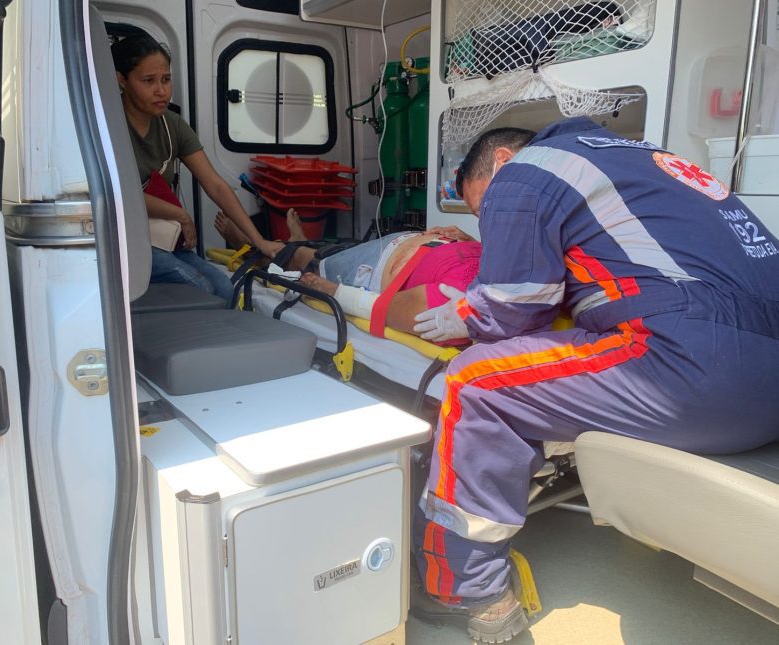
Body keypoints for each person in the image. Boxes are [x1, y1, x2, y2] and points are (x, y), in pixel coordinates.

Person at [408, 117, 779, 643]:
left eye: (482, 208)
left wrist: (465, 315)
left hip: (695, 366)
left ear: (500, 163)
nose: (488, 225)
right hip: (766, 374)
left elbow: (515, 309)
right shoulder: (647, 161)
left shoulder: (525, 172)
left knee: (474, 383)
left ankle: (468, 592)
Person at [111, 34, 283, 303]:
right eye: (148, 81)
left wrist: (260, 241)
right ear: (122, 80)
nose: (161, 91)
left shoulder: (173, 125)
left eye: (166, 80)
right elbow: (121, 194)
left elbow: (215, 185)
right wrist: (180, 214)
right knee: (202, 288)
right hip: (124, 241)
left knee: (226, 291)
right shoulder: (107, 125)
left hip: (163, 237)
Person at [214, 209, 482, 338]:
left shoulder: (454, 308)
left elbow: (391, 309)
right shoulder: (511, 272)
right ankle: (300, 241)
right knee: (331, 251)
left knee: (307, 261)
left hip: (375, 267)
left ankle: (249, 244)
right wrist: (468, 238)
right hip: (412, 242)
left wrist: (336, 292)